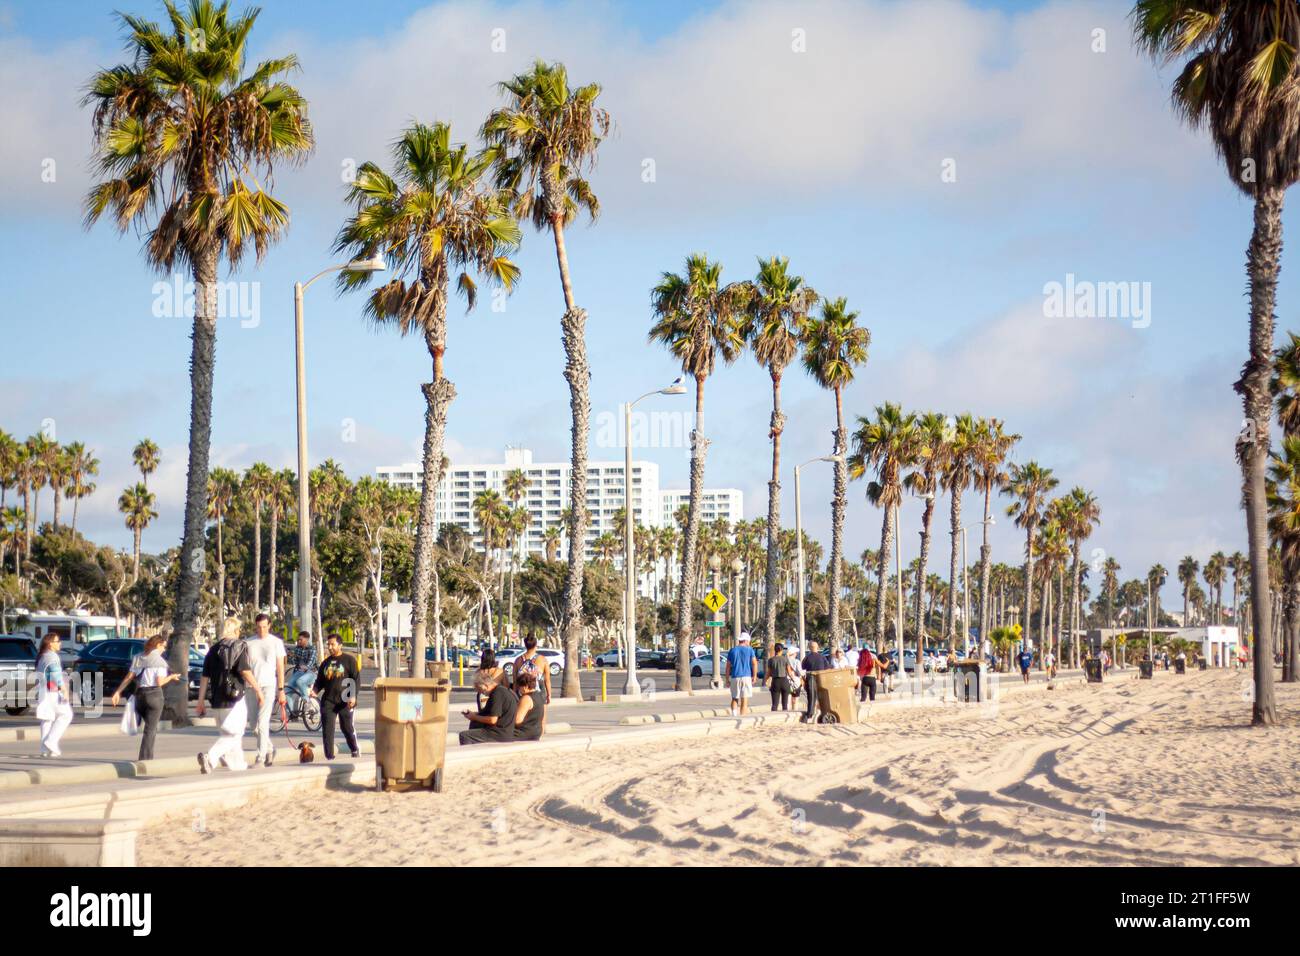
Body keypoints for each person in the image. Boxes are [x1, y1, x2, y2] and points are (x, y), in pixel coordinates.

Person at [196, 617, 262, 773]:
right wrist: (258, 689)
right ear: (236, 630)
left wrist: (200, 701)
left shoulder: (213, 650)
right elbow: (244, 670)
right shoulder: (239, 646)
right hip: (235, 698)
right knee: (234, 733)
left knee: (230, 735)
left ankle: (238, 764)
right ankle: (210, 758)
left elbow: (204, 678)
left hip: (217, 701)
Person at [110, 632, 182, 761]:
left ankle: (143, 751)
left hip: (140, 696)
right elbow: (159, 682)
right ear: (158, 645)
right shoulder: (160, 661)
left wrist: (118, 692)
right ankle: (145, 759)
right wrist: (171, 677)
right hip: (154, 695)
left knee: (145, 724)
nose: (164, 650)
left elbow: (129, 677)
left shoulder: (138, 657)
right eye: (163, 647)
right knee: (150, 729)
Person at [243, 613, 286, 767]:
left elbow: (280, 667)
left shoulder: (276, 643)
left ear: (269, 626)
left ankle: (260, 757)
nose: (261, 630)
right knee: (253, 725)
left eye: (264, 627)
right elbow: (245, 667)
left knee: (263, 723)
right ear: (256, 626)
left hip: (268, 686)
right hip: (251, 687)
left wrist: (281, 690)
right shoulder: (248, 642)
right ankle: (269, 748)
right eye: (259, 627)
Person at [309, 633, 360, 759]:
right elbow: (319, 681)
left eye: (333, 644)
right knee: (327, 730)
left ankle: (354, 748)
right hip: (328, 701)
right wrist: (314, 690)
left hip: (345, 700)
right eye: (328, 644)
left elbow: (356, 680)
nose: (330, 647)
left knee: (346, 727)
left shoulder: (349, 660)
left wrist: (353, 696)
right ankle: (329, 756)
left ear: (340, 645)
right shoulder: (325, 663)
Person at [34, 634, 73, 757]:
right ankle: (51, 741)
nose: (60, 643)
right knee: (66, 715)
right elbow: (56, 675)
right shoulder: (51, 656)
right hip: (52, 691)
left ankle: (44, 749)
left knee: (47, 718)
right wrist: (64, 690)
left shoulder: (42, 656)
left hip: (43, 690)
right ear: (50, 643)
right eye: (58, 641)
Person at [459, 668, 518, 745]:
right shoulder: (501, 691)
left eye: (480, 690)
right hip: (503, 731)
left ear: (485, 686)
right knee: (475, 723)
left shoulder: (497, 694)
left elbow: (493, 720)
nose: (481, 693)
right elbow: (491, 712)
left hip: (499, 733)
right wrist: (474, 714)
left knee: (464, 735)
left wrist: (474, 717)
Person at [724, 631, 758, 717]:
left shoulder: (732, 650)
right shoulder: (750, 650)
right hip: (746, 676)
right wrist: (754, 676)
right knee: (744, 699)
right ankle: (742, 716)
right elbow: (754, 663)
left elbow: (728, 666)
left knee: (735, 698)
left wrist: (727, 679)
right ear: (746, 640)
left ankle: (734, 714)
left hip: (735, 676)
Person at [513, 635, 553, 707]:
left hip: (522, 692)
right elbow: (547, 680)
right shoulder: (543, 659)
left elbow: (515, 681)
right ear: (536, 645)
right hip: (539, 693)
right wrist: (549, 695)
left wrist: (514, 696)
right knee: (540, 716)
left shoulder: (517, 660)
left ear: (525, 645)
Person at [801, 640, 830, 722]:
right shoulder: (822, 657)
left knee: (811, 697)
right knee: (823, 697)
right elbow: (827, 668)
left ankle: (809, 714)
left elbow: (803, 668)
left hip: (811, 678)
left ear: (809, 648)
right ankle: (824, 713)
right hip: (821, 678)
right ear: (817, 647)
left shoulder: (806, 658)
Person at [286, 630, 317, 703]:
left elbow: (310, 664)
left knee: (300, 681)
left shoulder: (312, 649)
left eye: (301, 639)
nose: (299, 641)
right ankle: (292, 713)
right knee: (287, 691)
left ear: (307, 639)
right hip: (298, 672)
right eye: (298, 640)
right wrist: (289, 656)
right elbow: (293, 662)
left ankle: (306, 701)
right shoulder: (297, 648)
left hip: (311, 673)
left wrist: (304, 667)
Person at [513, 670, 544, 741]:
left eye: (519, 687)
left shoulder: (526, 698)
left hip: (524, 732)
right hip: (536, 732)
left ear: (525, 687)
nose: (518, 689)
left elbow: (518, 720)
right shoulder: (538, 695)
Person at [766, 642, 791, 712]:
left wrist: (766, 680)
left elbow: (768, 673)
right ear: (782, 650)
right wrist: (793, 679)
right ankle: (785, 717)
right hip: (784, 681)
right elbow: (789, 671)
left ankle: (773, 717)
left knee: (774, 704)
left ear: (775, 650)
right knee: (785, 704)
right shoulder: (785, 659)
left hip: (775, 681)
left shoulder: (771, 660)